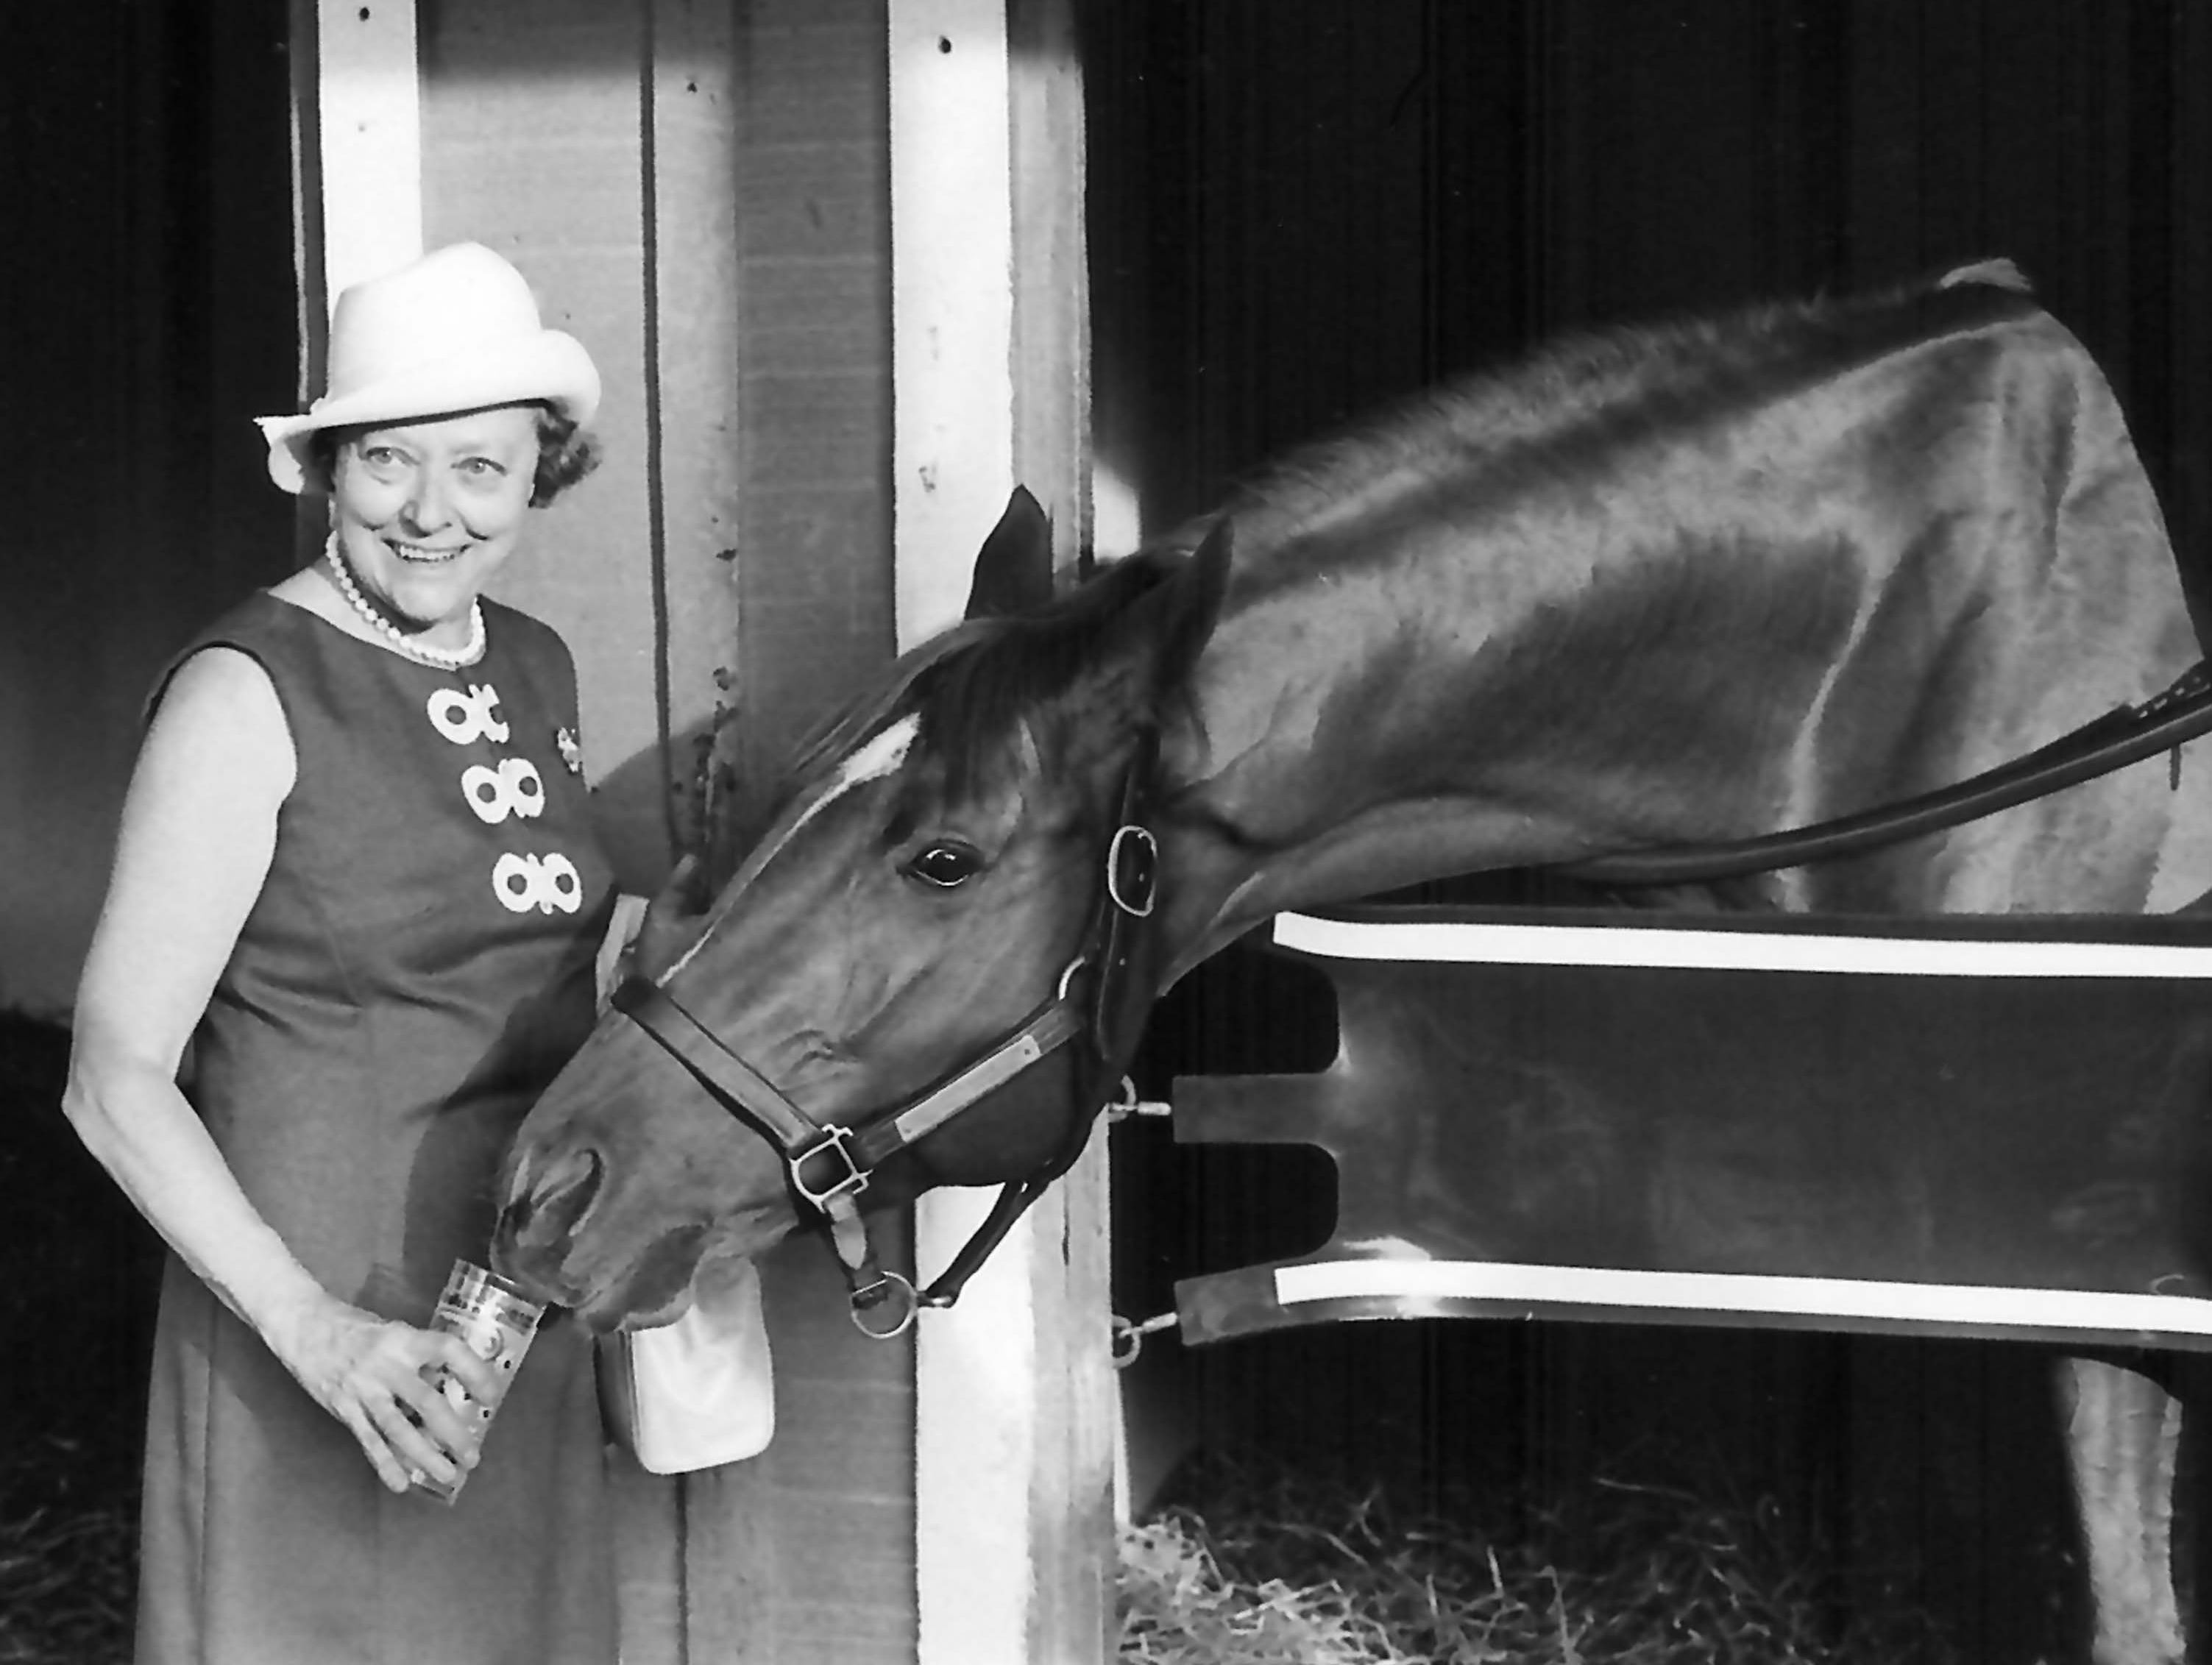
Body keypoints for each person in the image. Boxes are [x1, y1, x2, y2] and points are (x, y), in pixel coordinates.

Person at [63, 241, 626, 1665]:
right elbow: (113, 1076)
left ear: (537, 478)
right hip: (320, 1334)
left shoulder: (540, 664)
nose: (433, 514)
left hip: (510, 1317)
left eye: (482, 470)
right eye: (389, 463)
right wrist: (312, 1332)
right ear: (328, 470)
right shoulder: (248, 691)